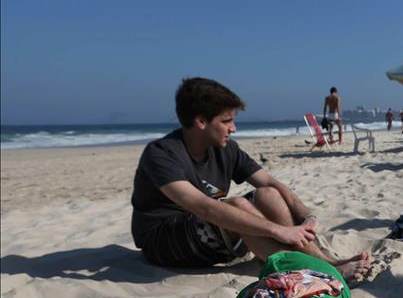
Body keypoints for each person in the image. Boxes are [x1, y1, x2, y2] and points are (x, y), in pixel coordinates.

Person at [131, 77, 372, 282]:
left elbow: (271, 183)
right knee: (236, 204)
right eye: (226, 121)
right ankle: (310, 270)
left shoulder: (226, 149)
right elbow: (203, 207)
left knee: (268, 195)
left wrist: (305, 216)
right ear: (201, 121)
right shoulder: (161, 154)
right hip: (163, 243)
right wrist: (279, 231)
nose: (233, 128)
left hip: (213, 235)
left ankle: (326, 264)